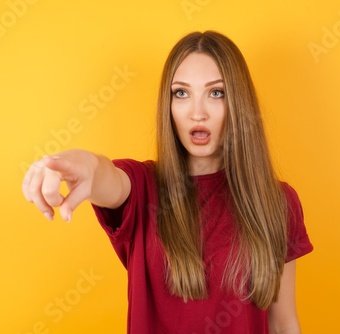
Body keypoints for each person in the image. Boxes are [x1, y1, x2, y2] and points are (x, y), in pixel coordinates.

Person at [22, 31, 313, 334]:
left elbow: (283, 324)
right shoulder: (142, 187)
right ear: (168, 104)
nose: (196, 113)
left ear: (238, 103)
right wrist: (76, 164)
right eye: (181, 93)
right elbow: (104, 174)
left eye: (216, 93)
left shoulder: (278, 202)